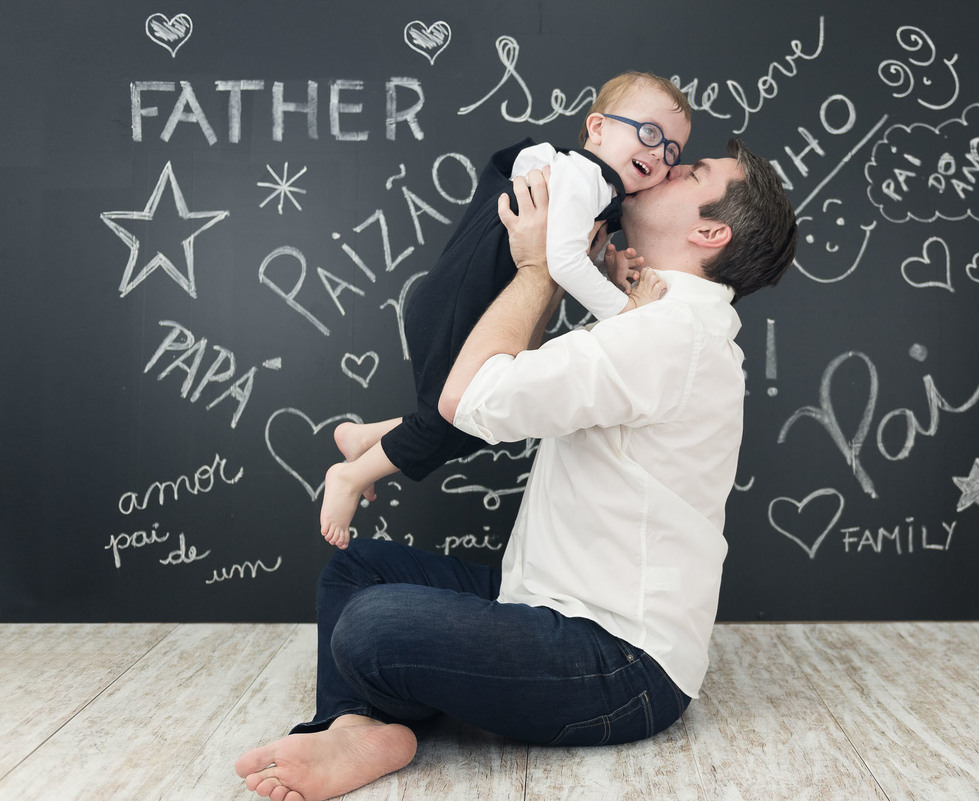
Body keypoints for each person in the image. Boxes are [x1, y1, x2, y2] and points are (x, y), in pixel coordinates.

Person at [235, 139, 798, 801]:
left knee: (371, 624)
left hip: (622, 665)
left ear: (710, 231)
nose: (667, 165)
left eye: (692, 171)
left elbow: (464, 398)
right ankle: (357, 726)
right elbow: (504, 392)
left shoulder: (669, 335)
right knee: (356, 571)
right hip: (540, 600)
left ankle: (373, 712)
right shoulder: (653, 319)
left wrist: (538, 268)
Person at [319, 71, 691, 549]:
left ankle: (365, 440)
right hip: (459, 304)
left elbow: (571, 248)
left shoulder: (596, 189)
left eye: (673, 151)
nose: (660, 153)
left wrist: (606, 264)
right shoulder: (582, 177)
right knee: (446, 417)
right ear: (598, 128)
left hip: (472, 306)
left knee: (480, 425)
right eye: (649, 133)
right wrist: (624, 311)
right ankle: (346, 479)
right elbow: (560, 260)